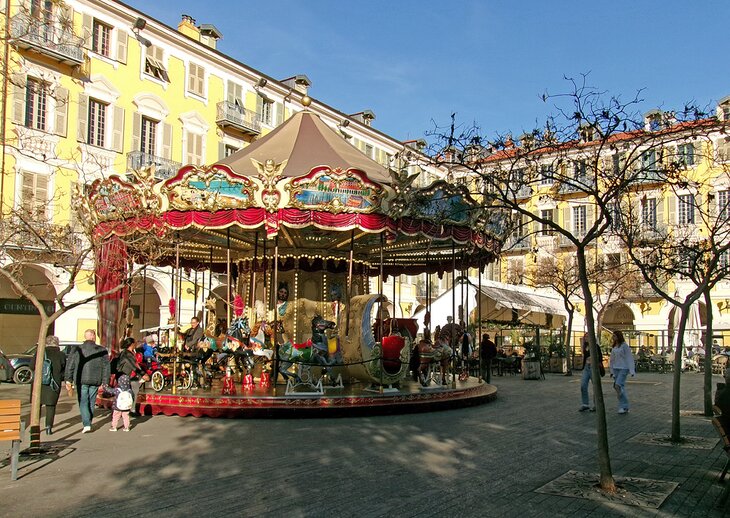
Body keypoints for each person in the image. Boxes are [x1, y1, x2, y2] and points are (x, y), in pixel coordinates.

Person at [65, 329, 110, 433]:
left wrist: (68, 379)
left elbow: (70, 365)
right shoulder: (101, 350)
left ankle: (87, 424)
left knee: (83, 401)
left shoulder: (77, 349)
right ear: (93, 336)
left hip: (81, 379)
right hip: (95, 379)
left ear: (85, 337)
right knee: (91, 401)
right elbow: (106, 367)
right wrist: (105, 381)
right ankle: (88, 422)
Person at [34, 335, 66, 435]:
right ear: (57, 343)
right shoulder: (61, 355)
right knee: (51, 406)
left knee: (37, 406)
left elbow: (31, 366)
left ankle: (35, 427)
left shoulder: (40, 353)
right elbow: (63, 370)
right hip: (53, 384)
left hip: (39, 383)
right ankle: (48, 427)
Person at [116, 337, 148, 413]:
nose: (136, 344)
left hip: (124, 375)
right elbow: (133, 365)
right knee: (132, 392)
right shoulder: (127, 354)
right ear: (132, 344)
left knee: (128, 392)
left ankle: (125, 410)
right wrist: (142, 374)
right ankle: (130, 410)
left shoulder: (125, 352)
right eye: (135, 343)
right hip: (126, 375)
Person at [609, 330, 635, 414]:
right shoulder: (614, 346)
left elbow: (629, 357)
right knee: (619, 387)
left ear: (618, 336)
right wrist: (611, 370)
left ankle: (624, 405)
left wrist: (631, 370)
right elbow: (612, 359)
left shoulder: (624, 346)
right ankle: (623, 406)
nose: (613, 337)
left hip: (624, 368)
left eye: (614, 336)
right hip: (616, 368)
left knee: (618, 385)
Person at [579, 335, 603, 412]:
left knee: (595, 386)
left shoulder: (596, 346)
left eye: (587, 337)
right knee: (583, 385)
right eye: (585, 337)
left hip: (593, 367)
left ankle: (596, 405)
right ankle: (585, 404)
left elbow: (600, 357)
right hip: (586, 367)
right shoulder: (585, 346)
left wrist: (593, 359)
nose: (585, 338)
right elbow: (585, 356)